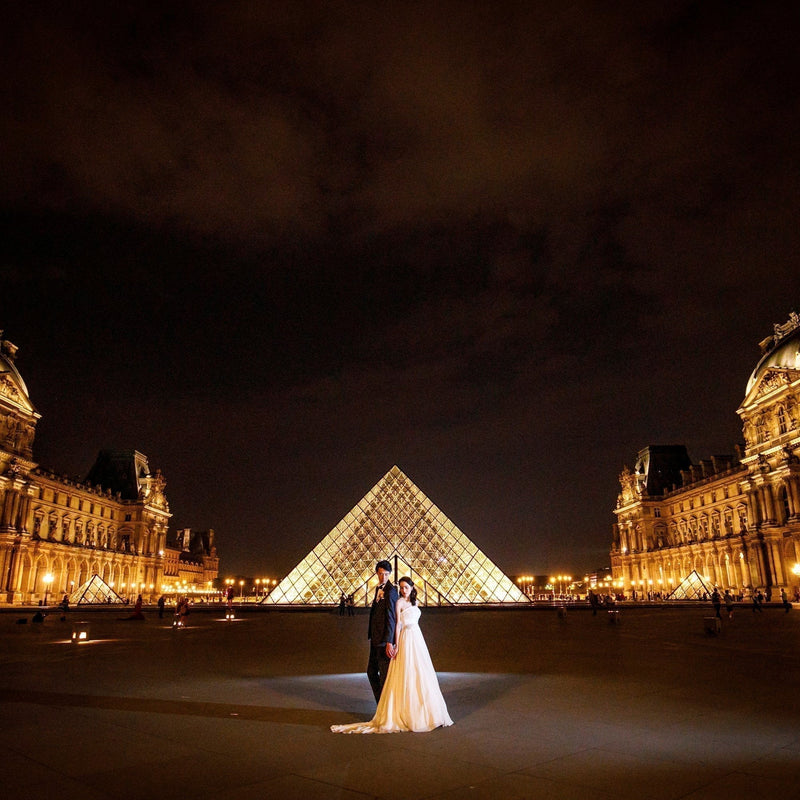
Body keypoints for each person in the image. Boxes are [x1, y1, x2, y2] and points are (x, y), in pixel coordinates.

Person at [332, 576, 453, 734]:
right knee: (406, 673)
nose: (403, 590)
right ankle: (408, 712)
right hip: (406, 638)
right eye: (401, 587)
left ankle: (425, 711)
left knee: (421, 674)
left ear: (412, 587)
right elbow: (397, 625)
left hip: (417, 639)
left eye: (406, 587)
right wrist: (395, 644)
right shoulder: (399, 602)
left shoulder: (416, 602)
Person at [365, 560, 398, 703]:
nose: (383, 577)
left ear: (390, 574)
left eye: (386, 574)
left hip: (384, 641)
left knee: (384, 676)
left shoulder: (391, 591)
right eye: (380, 574)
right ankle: (381, 704)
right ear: (376, 573)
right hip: (375, 639)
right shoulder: (379, 589)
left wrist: (389, 641)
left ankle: (385, 707)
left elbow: (391, 617)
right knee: (371, 672)